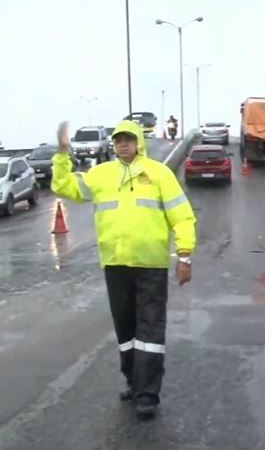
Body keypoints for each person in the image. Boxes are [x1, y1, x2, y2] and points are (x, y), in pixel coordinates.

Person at [51, 119, 197, 420]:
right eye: (118, 140)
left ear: (138, 142)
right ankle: (133, 380)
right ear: (113, 144)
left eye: (128, 139)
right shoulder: (101, 174)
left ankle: (148, 395)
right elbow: (63, 186)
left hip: (150, 265)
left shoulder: (158, 173)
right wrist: (63, 153)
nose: (123, 144)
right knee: (126, 329)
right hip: (115, 264)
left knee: (150, 330)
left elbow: (182, 217)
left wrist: (184, 256)